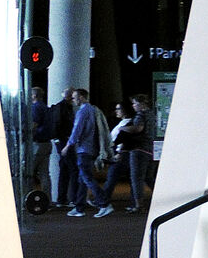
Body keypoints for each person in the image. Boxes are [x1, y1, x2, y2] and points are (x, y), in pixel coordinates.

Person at [100, 100, 148, 217]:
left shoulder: (127, 123)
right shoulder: (124, 122)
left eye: (118, 109)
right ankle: (133, 203)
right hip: (124, 153)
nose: (116, 111)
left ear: (124, 110)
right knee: (132, 179)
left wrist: (119, 151)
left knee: (112, 178)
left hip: (122, 154)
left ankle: (103, 202)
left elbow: (123, 138)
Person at [63, 88, 105, 217]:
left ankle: (104, 203)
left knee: (86, 178)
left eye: (75, 97)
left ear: (81, 97)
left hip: (83, 149)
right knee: (82, 179)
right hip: (90, 149)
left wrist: (67, 145)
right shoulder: (92, 110)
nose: (73, 100)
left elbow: (77, 130)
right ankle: (79, 207)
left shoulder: (82, 111)